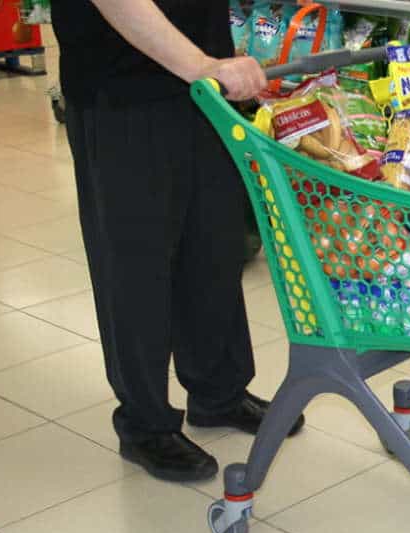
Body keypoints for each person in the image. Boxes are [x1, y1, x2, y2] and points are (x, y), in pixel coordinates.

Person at [52, 0, 304, 483]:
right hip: (122, 90)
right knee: (134, 262)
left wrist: (213, 67)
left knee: (213, 242)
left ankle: (218, 392)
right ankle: (144, 423)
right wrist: (204, 66)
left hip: (204, 89)